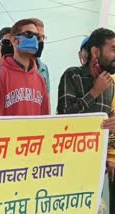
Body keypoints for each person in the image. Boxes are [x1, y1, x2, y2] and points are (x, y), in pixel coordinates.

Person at [56, 28, 115, 213]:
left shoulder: (110, 85)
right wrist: (94, 92)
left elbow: (104, 127)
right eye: (113, 49)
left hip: (95, 167)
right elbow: (65, 116)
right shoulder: (72, 75)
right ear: (95, 52)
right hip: (69, 165)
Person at [0, 19, 50, 116]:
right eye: (29, 34)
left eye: (37, 37)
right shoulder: (0, 75)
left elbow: (45, 116)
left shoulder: (40, 79)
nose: (34, 39)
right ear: (14, 40)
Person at [30, 18, 50, 93]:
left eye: (43, 37)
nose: (41, 41)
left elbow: (47, 99)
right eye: (38, 37)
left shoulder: (43, 68)